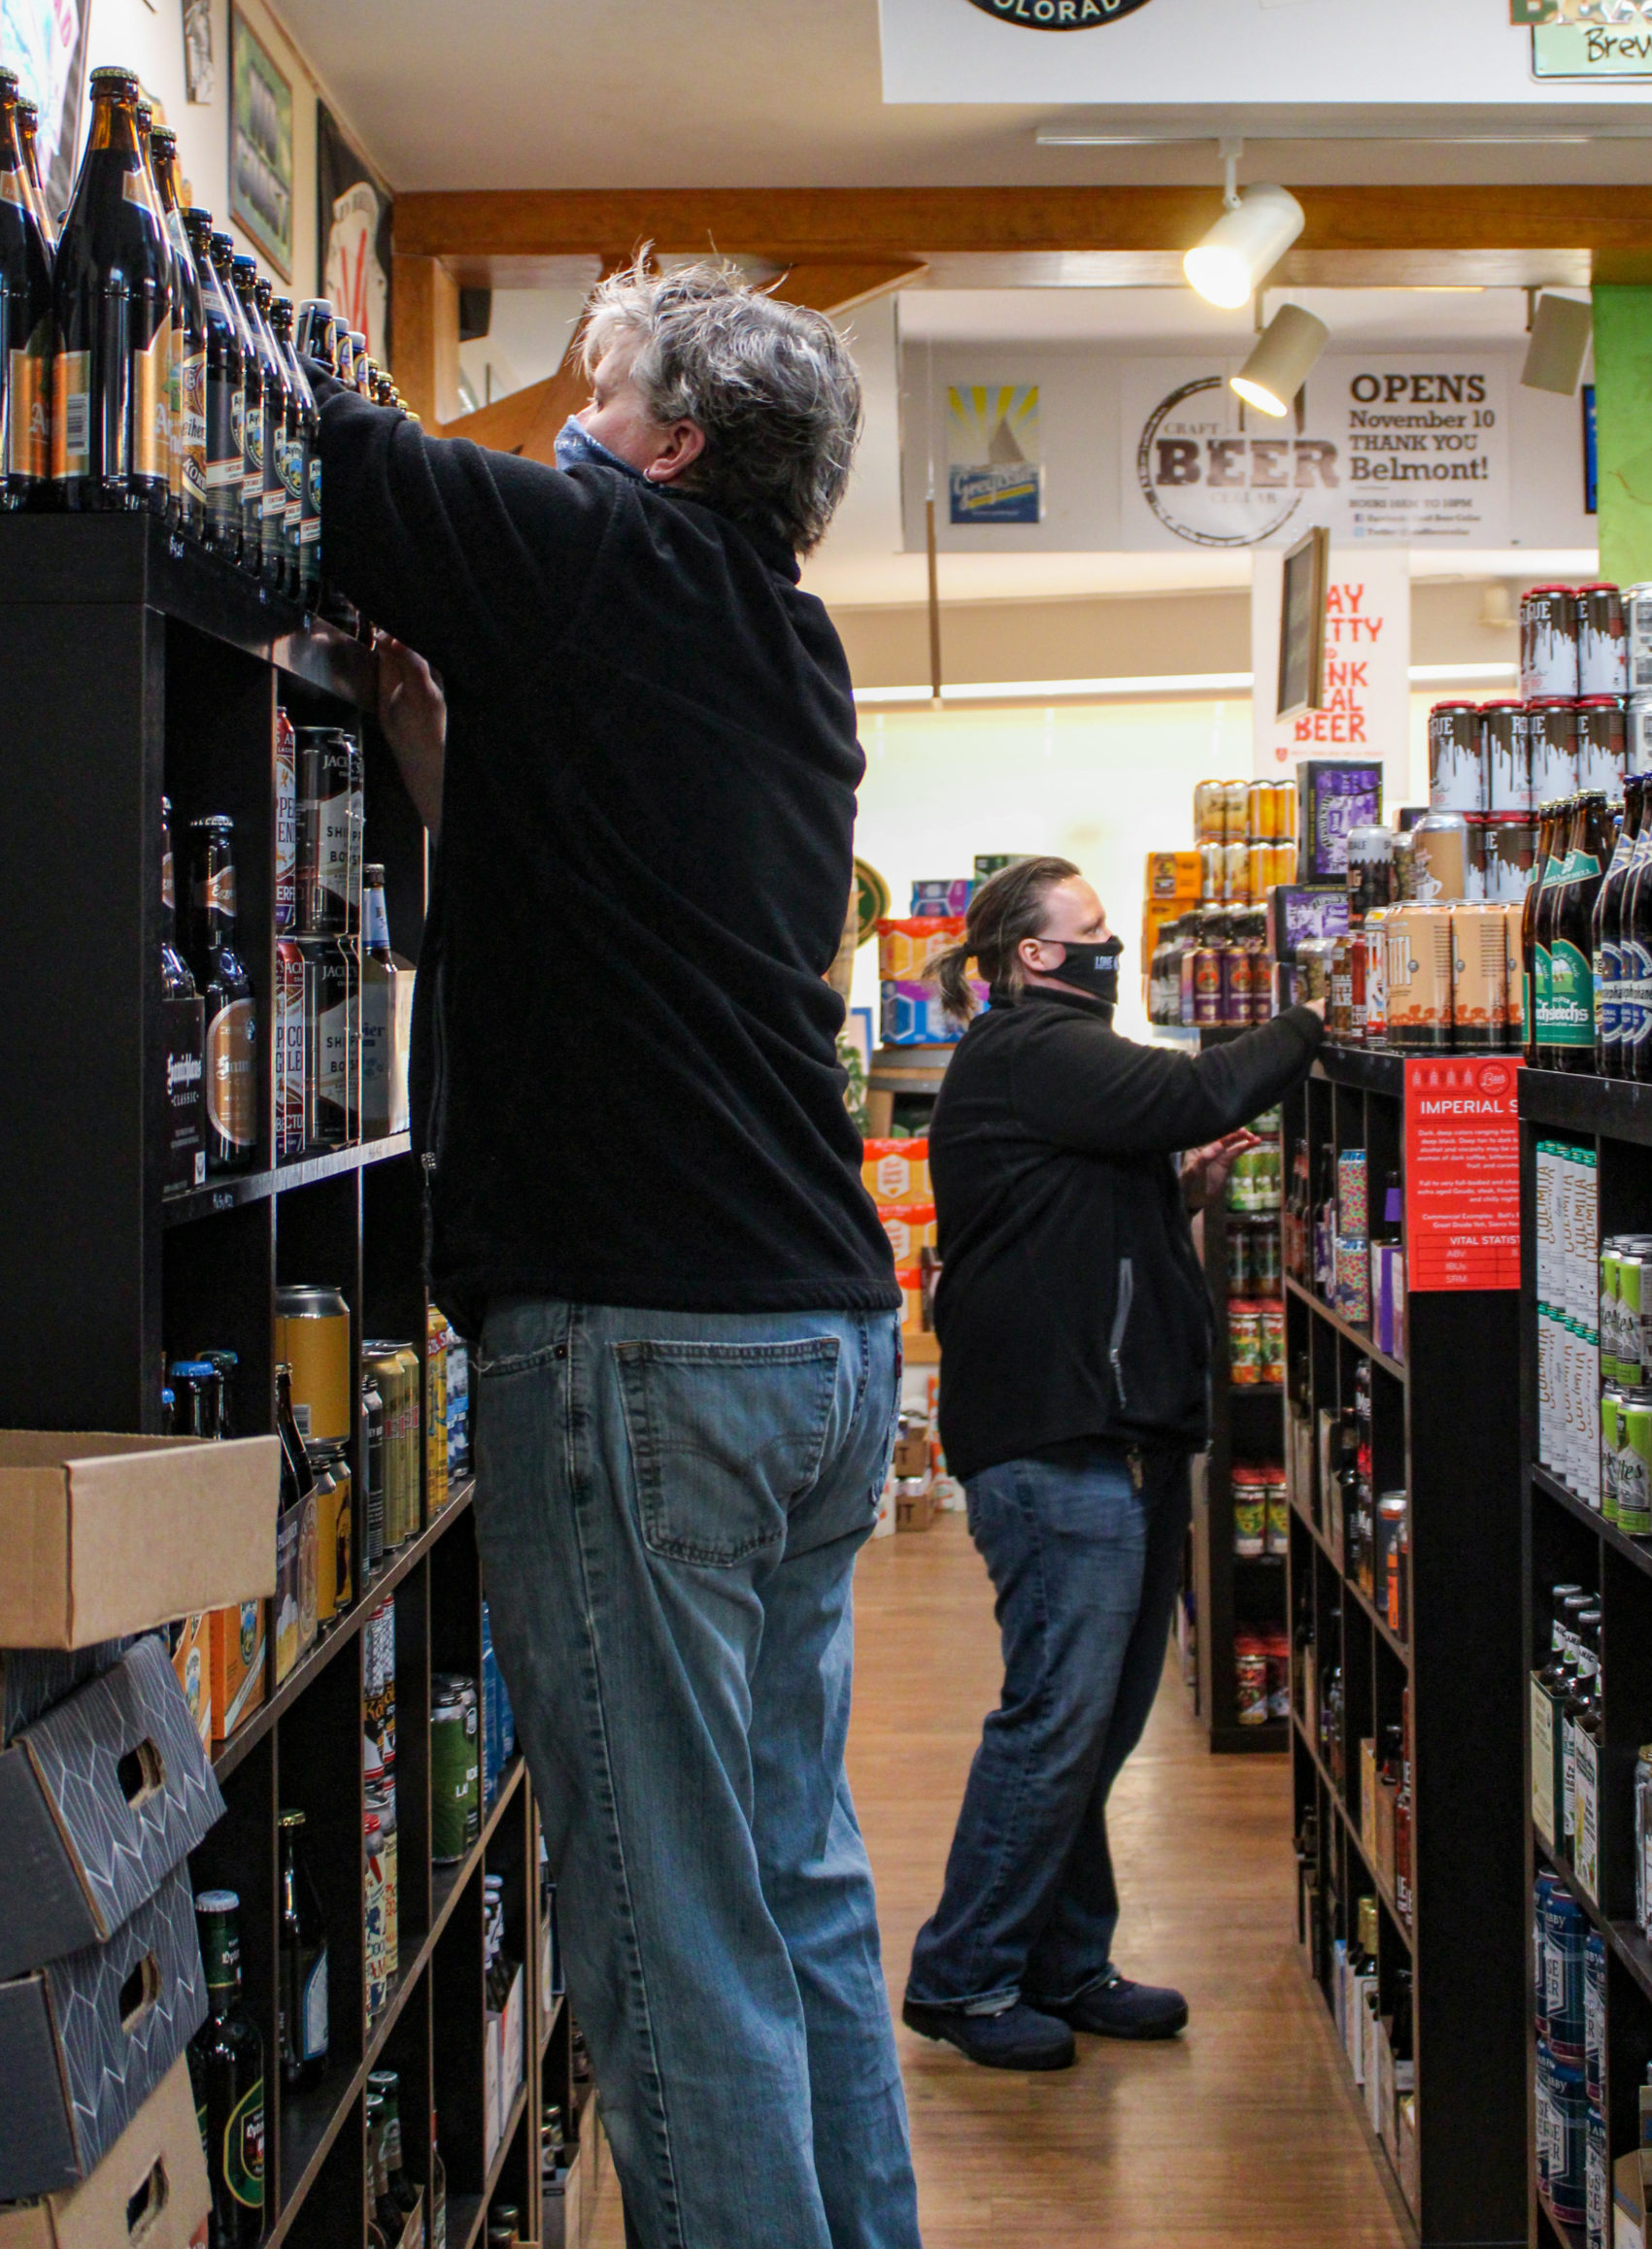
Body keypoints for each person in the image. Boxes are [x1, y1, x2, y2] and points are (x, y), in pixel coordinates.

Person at [316, 262, 919, 2249]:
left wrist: (332, 327)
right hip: (818, 1331)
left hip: (643, 1337)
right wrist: (449, 766)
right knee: (791, 1875)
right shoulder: (791, 650)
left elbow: (336, 457)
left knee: (665, 1928)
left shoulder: (596, 543)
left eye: (590, 390)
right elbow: (620, 891)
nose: (561, 425)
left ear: (666, 441)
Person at [902, 856, 1323, 2070]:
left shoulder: (1053, 1068)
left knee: (1100, 1720)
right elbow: (1203, 1086)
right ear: (1033, 957)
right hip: (1051, 1438)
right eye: (1090, 931)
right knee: (1056, 1715)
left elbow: (1089, 1226)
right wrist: (1316, 1012)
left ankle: (1064, 1960)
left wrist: (1177, 1199)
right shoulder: (1030, 1046)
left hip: (1117, 1432)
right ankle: (964, 1977)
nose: (1110, 947)